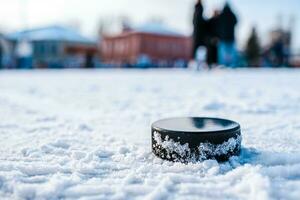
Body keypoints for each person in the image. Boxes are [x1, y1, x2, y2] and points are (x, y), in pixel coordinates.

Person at [217, 3, 238, 67]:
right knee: (231, 52)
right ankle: (233, 64)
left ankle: (223, 64)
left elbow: (217, 24)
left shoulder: (221, 15)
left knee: (222, 52)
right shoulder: (232, 15)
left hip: (223, 37)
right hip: (231, 37)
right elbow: (236, 22)